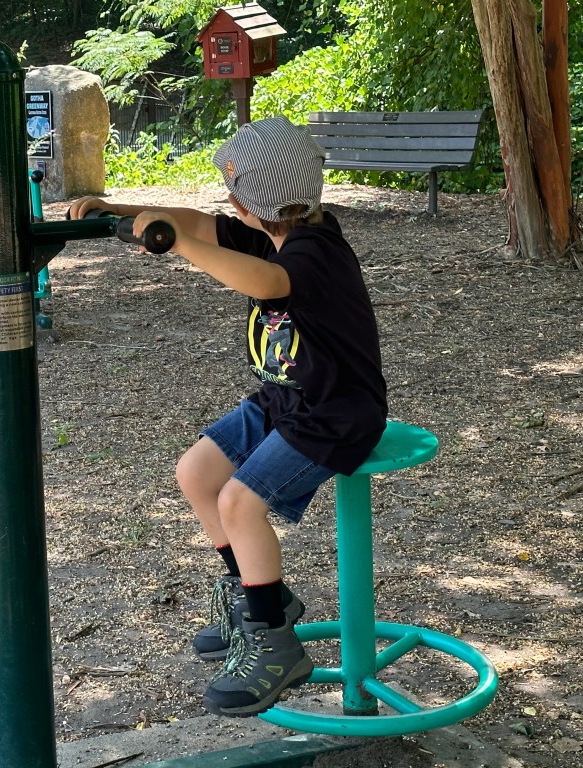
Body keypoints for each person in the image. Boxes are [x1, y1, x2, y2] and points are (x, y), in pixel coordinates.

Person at [68, 116, 388, 718]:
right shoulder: (270, 233)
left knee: (240, 502)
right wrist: (124, 210)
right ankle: (261, 596)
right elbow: (194, 222)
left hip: (335, 413)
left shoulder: (315, 252)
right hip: (284, 400)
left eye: (234, 192)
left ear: (256, 199)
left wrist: (182, 247)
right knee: (196, 473)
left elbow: (266, 282)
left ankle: (274, 644)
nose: (228, 206)